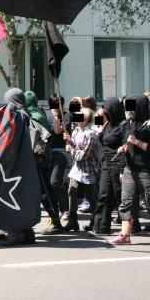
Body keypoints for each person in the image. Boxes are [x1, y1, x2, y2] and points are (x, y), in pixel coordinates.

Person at [110, 95, 150, 245]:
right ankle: (125, 235)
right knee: (127, 202)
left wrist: (136, 142)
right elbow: (125, 143)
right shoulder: (128, 125)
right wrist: (123, 149)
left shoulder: (148, 125)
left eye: (132, 106)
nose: (129, 110)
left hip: (146, 170)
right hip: (130, 168)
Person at [0, 88, 36, 246]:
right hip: (26, 164)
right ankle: (27, 231)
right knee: (22, 197)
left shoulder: (16, 116)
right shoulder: (25, 114)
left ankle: (16, 233)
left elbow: (10, 140)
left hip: (16, 164)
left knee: (13, 199)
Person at [25, 91, 62, 234]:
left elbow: (43, 138)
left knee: (45, 191)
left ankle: (56, 222)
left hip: (41, 159)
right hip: (41, 158)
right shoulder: (38, 113)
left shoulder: (35, 116)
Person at [86, 98, 125, 235]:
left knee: (120, 196)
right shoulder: (106, 124)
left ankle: (132, 225)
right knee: (104, 195)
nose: (106, 113)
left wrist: (122, 169)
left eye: (108, 110)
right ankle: (101, 227)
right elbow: (97, 120)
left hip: (117, 163)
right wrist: (101, 129)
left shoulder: (123, 125)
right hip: (106, 163)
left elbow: (126, 147)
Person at [63, 107, 99, 231]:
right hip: (77, 169)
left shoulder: (91, 134)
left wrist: (71, 150)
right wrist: (69, 142)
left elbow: (84, 155)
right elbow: (75, 147)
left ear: (86, 118)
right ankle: (73, 221)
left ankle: (96, 220)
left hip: (88, 169)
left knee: (91, 197)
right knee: (71, 192)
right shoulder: (76, 130)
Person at [47, 94, 72, 223]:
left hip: (61, 153)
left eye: (58, 104)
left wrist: (56, 116)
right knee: (49, 184)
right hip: (49, 153)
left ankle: (66, 209)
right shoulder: (48, 117)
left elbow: (58, 131)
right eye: (54, 104)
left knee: (55, 181)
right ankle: (56, 211)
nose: (56, 107)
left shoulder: (66, 116)